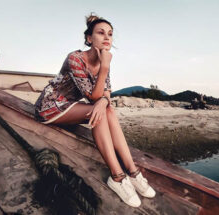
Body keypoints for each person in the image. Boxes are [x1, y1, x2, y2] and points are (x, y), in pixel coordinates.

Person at [34, 13, 155, 208]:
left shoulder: (103, 61)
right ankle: (117, 176)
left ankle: (133, 172)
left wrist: (103, 99)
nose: (107, 37)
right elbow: (93, 96)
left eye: (110, 34)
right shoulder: (75, 58)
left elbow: (106, 95)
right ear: (89, 39)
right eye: (101, 33)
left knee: (107, 111)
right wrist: (104, 70)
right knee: (97, 111)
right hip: (50, 106)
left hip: (71, 106)